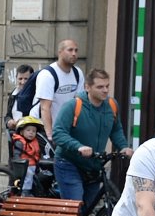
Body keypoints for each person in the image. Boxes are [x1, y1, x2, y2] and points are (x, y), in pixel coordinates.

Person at [50, 68, 129, 205]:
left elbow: (115, 129)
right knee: (74, 207)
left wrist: (123, 146)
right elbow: (58, 133)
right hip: (69, 163)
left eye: (107, 86)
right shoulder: (73, 106)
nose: (105, 90)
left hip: (94, 165)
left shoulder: (111, 105)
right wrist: (78, 147)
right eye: (100, 87)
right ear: (87, 87)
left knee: (88, 207)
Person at [32, 38, 85, 127]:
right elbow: (45, 108)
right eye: (70, 50)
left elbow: (79, 102)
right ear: (60, 52)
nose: (74, 54)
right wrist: (50, 135)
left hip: (63, 126)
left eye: (76, 50)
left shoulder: (78, 73)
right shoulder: (47, 75)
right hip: (41, 125)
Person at [10, 115, 46, 194]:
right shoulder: (20, 142)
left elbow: (38, 153)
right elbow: (16, 155)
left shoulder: (35, 142)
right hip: (24, 166)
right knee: (28, 175)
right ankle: (25, 191)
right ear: (21, 131)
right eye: (28, 130)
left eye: (33, 131)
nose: (31, 133)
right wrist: (20, 163)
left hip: (34, 164)